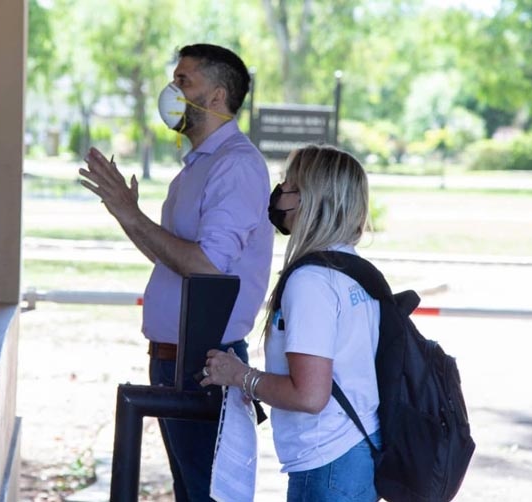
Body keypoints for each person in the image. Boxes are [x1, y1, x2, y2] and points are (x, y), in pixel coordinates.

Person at [78, 44, 274, 501]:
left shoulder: (237, 166)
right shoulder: (197, 168)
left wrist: (133, 215)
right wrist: (127, 216)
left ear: (218, 96)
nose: (172, 90)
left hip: (207, 362)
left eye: (184, 81)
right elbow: (170, 257)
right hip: (174, 358)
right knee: (189, 490)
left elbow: (205, 266)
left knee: (206, 493)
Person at [200, 145, 382, 502]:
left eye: (288, 185)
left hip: (328, 465)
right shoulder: (354, 271)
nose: (279, 195)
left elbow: (311, 395)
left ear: (311, 200)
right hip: (357, 452)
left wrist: (240, 376)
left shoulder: (311, 282)